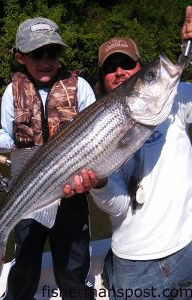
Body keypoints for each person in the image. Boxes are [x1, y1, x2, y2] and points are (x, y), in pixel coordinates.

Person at [63, 6, 192, 300]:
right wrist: (98, 183)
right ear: (103, 78)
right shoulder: (96, 129)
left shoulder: (177, 100)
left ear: (138, 68)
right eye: (110, 67)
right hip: (136, 265)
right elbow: (120, 207)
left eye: (129, 65)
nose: (119, 71)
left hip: (188, 247)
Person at [0, 17, 96, 300]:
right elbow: (8, 137)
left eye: (53, 52)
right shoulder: (11, 92)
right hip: (28, 192)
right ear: (20, 57)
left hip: (71, 195)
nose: (46, 60)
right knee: (22, 270)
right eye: (37, 53)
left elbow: (95, 136)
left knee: (74, 274)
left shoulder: (81, 87)